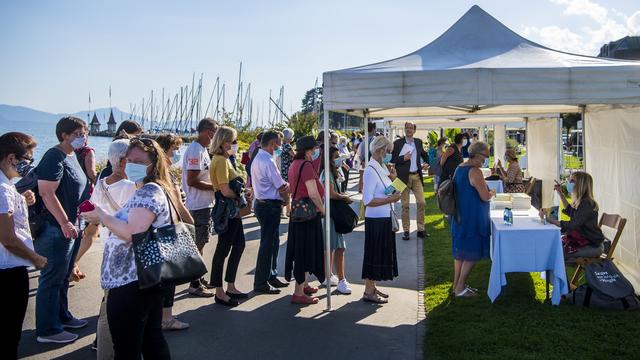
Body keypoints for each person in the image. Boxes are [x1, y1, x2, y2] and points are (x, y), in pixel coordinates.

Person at [81, 138, 177, 359]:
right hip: (145, 278)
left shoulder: (147, 191)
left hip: (131, 281)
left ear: (154, 163)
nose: (132, 165)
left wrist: (101, 216)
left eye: (139, 162)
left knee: (127, 347)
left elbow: (134, 233)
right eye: (130, 160)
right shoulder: (149, 188)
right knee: (151, 339)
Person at [77, 139, 137, 358]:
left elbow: (93, 216)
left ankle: (102, 346)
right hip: (128, 249)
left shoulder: (102, 183)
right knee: (122, 306)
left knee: (108, 301)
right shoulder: (132, 187)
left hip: (109, 247)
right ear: (123, 161)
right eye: (133, 159)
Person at [35, 116, 90, 343]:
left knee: (64, 275)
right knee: (51, 278)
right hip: (56, 229)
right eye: (77, 133)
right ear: (64, 135)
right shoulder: (53, 156)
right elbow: (47, 193)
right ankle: (48, 330)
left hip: (73, 226)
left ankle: (62, 316)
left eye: (84, 132)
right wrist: (64, 222)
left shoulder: (72, 155)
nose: (82, 137)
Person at [0, 132, 48, 358]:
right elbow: (8, 238)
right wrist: (34, 257)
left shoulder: (7, 185)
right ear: (11, 158)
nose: (29, 166)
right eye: (28, 160)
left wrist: (22, 198)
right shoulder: (2, 189)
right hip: (8, 271)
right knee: (9, 335)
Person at [209, 126, 252, 307]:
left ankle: (230, 285)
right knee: (223, 249)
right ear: (224, 142)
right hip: (227, 209)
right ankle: (219, 291)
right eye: (233, 141)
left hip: (231, 210)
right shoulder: (220, 161)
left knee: (238, 244)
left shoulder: (224, 160)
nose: (235, 144)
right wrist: (239, 196)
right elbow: (225, 190)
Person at [156, 133, 194, 331]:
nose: (177, 153)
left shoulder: (158, 174)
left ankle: (160, 315)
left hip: (162, 230)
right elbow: (178, 204)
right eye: (174, 150)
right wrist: (191, 224)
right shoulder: (165, 176)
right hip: (169, 230)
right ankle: (166, 318)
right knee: (169, 276)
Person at [450, 141, 495, 297]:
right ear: (477, 154)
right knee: (471, 253)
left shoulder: (459, 167)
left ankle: (456, 286)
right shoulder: (475, 171)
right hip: (472, 218)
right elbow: (484, 196)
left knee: (461, 254)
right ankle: (460, 288)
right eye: (485, 156)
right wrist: (492, 193)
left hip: (460, 216)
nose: (486, 159)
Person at [285, 136, 326, 304]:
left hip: (298, 213)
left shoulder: (294, 165)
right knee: (305, 252)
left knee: (302, 250)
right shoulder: (307, 166)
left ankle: (304, 285)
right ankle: (299, 292)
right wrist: (323, 209)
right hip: (309, 215)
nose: (316, 152)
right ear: (308, 151)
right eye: (314, 149)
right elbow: (313, 192)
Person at [361, 136, 401, 304]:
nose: (389, 154)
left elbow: (394, 191)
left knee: (379, 254)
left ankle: (372, 287)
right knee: (374, 254)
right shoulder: (371, 170)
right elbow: (367, 200)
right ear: (380, 150)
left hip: (384, 217)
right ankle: (369, 291)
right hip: (376, 219)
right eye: (388, 151)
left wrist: (394, 178)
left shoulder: (381, 167)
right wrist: (389, 200)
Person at [251, 130, 291, 294]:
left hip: (264, 204)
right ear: (273, 144)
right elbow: (280, 186)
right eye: (279, 144)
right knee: (267, 245)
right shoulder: (267, 160)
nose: (280, 147)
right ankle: (261, 282)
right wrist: (287, 194)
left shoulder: (259, 158)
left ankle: (270, 275)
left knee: (273, 242)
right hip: (269, 205)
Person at [182, 118, 218, 297]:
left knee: (201, 243)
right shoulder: (195, 150)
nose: (214, 136)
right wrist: (215, 187)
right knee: (198, 244)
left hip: (204, 203)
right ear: (206, 131)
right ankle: (194, 283)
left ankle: (198, 276)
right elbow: (192, 180)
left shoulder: (203, 150)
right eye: (213, 131)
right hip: (198, 204)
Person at [540, 172, 605, 259]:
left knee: (556, 253)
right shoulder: (582, 201)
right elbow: (570, 211)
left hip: (592, 246)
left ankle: (556, 272)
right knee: (553, 247)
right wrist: (560, 193)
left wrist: (548, 219)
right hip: (582, 241)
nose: (569, 183)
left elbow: (572, 225)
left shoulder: (587, 203)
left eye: (572, 181)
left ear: (581, 184)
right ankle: (553, 272)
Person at [319, 146, 353, 294]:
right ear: (329, 159)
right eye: (336, 156)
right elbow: (331, 194)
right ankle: (341, 280)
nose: (339, 159)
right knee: (337, 247)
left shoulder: (332, 172)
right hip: (331, 213)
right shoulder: (327, 173)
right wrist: (344, 197)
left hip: (332, 212)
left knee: (332, 247)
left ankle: (330, 276)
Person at [391, 121, 430, 241]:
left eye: (411, 128)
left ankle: (421, 229)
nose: (408, 129)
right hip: (403, 178)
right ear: (404, 129)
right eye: (407, 127)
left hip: (417, 176)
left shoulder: (418, 142)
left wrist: (426, 163)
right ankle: (406, 231)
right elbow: (393, 159)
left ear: (414, 130)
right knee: (405, 205)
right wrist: (404, 158)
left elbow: (424, 154)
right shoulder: (397, 143)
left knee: (422, 202)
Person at [357, 122, 376, 193]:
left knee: (362, 178)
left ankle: (361, 191)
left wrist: (362, 161)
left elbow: (360, 152)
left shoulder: (364, 139)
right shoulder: (374, 139)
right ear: (373, 129)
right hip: (370, 163)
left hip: (363, 162)